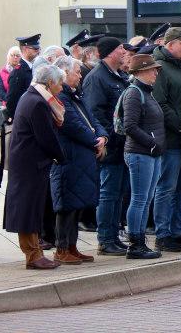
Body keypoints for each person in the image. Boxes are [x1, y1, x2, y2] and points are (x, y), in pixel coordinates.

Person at [4, 64, 68, 270]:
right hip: (30, 164)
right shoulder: (38, 102)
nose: (62, 87)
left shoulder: (32, 96)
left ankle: (34, 252)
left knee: (30, 208)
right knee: (28, 209)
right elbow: (46, 137)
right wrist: (61, 156)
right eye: (60, 83)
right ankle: (32, 255)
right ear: (49, 83)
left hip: (28, 162)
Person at [49, 56, 107, 265]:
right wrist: (95, 141)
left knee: (78, 204)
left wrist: (102, 136)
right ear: (64, 73)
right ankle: (62, 247)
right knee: (67, 205)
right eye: (77, 72)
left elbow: (92, 119)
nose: (80, 75)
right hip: (69, 158)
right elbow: (71, 124)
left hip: (83, 158)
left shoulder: (75, 95)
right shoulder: (60, 97)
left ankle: (72, 246)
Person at [82, 36, 129, 255]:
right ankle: (105, 239)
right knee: (108, 193)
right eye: (121, 48)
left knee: (118, 192)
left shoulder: (119, 76)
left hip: (122, 144)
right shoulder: (97, 78)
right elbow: (95, 113)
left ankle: (114, 235)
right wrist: (111, 137)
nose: (124, 52)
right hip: (111, 145)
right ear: (110, 52)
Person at [151, 27, 181, 252]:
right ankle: (163, 233)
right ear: (169, 44)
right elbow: (161, 104)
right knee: (166, 187)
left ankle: (178, 230)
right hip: (170, 139)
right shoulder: (160, 68)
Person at [122, 54, 166, 259]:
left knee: (146, 198)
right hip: (140, 153)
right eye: (152, 69)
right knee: (140, 199)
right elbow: (129, 126)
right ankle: (135, 243)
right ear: (140, 72)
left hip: (151, 153)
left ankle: (140, 241)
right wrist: (152, 143)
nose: (156, 72)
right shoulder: (134, 93)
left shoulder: (146, 92)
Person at [5, 34, 41, 122]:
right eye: (35, 49)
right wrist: (20, 120)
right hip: (25, 119)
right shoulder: (18, 72)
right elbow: (11, 102)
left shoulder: (31, 68)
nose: (38, 51)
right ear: (25, 49)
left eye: (39, 49)